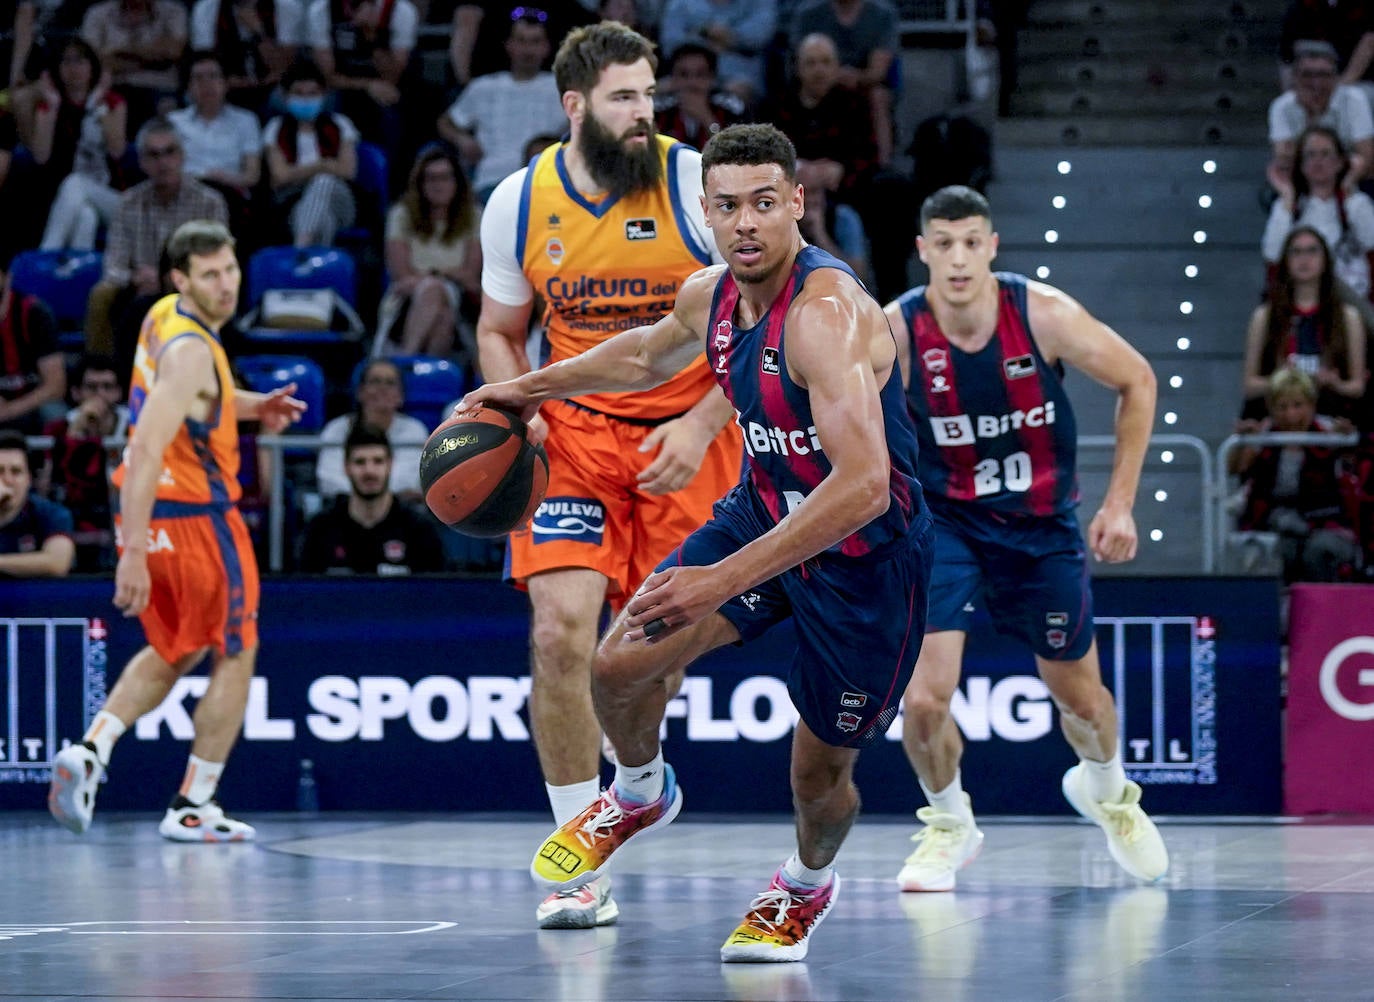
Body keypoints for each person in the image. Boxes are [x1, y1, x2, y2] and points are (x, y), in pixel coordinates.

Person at [461, 122, 933, 962]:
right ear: (706, 211)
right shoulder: (710, 293)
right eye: (727, 206)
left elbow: (861, 487)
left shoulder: (824, 317)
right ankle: (640, 791)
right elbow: (644, 358)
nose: (745, 222)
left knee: (818, 777)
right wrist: (524, 386)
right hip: (761, 511)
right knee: (615, 665)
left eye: (762, 203)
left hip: (864, 559)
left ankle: (804, 885)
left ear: (796, 203)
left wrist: (715, 584)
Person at [472, 20, 742, 932]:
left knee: (641, 659)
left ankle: (636, 782)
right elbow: (501, 329)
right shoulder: (517, 201)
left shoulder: (696, 185)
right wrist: (531, 410)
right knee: (558, 635)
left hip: (693, 434)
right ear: (575, 105)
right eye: (626, 96)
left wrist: (706, 419)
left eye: (650, 95)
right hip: (575, 439)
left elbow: (763, 318)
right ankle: (577, 859)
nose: (645, 112)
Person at [884, 185, 1168, 892]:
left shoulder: (1041, 313)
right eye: (943, 244)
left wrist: (1122, 505)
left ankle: (1107, 792)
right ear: (923, 251)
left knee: (1083, 700)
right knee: (922, 701)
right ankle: (950, 823)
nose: (957, 258)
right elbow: (832, 403)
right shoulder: (895, 330)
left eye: (971, 242)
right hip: (947, 525)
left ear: (991, 246)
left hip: (1041, 528)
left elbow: (1138, 379)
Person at [47, 220, 307, 842]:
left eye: (232, 269)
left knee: (178, 645)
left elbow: (191, 399)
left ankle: (92, 748)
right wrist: (129, 555)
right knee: (236, 651)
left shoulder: (165, 318)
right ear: (180, 279)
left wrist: (252, 406)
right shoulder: (192, 350)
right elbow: (142, 449)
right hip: (198, 521)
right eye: (211, 275)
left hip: (157, 515)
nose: (226, 284)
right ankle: (194, 802)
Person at [84, 117, 230, 382]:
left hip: (190, 293)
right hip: (139, 293)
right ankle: (104, 381)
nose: (163, 162)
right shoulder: (128, 203)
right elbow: (113, 266)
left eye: (170, 152)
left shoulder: (210, 203)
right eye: (153, 155)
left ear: (183, 156)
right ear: (142, 162)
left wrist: (170, 280)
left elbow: (217, 264)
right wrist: (136, 277)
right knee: (102, 294)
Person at [1234, 367, 1362, 583]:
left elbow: (1353, 472)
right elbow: (1236, 468)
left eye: (1298, 405)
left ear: (1311, 405)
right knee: (1279, 552)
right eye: (1282, 407)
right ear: (1271, 408)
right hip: (1275, 522)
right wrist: (1243, 441)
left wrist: (1346, 444)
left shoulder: (1330, 434)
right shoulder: (1264, 435)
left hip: (1326, 522)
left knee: (1319, 551)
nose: (1290, 415)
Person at [436, 10, 567, 203]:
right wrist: (462, 140)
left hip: (545, 184)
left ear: (546, 48)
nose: (528, 50)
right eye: (521, 41)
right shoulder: (483, 87)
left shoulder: (562, 89)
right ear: (509, 46)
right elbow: (445, 122)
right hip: (492, 183)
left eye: (535, 42)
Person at [1243, 226, 1367, 425]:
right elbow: (1249, 385)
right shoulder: (1264, 316)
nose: (1304, 259)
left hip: (1332, 414)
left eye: (1312, 251)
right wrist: (1280, 379)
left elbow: (1357, 386)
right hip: (1278, 415)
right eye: (1296, 252)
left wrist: (1334, 383)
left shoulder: (1348, 317)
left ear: (1325, 260)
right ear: (1286, 261)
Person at [376, 145, 483, 363]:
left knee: (437, 294)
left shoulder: (474, 216)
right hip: (407, 300)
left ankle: (405, 362)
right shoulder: (401, 215)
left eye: (444, 178)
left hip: (461, 299)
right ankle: (425, 374)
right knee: (439, 308)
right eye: (431, 179)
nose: (438, 185)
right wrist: (441, 276)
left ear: (457, 183)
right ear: (420, 184)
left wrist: (433, 275)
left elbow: (470, 276)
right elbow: (402, 277)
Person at [299, 421, 445, 574]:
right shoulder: (320, 530)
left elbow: (434, 592)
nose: (369, 471)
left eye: (378, 461)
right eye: (360, 462)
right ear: (346, 467)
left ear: (390, 465)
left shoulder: (419, 530)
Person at [30, 38, 130, 252]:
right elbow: (40, 156)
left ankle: (45, 253)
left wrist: (96, 104)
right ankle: (76, 278)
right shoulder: (48, 104)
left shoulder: (112, 103)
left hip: (111, 198)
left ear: (93, 67)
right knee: (86, 216)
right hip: (66, 201)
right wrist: (53, 108)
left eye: (80, 60)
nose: (73, 68)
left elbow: (117, 150)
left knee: (76, 182)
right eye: (66, 61)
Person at [1263, 125, 1374, 318]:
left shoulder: (1357, 203)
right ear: (1301, 164)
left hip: (1353, 302)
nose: (1318, 161)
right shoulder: (1289, 206)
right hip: (1303, 300)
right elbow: (1272, 255)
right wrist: (1288, 196)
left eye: (1325, 154)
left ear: (1340, 162)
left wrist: (1348, 188)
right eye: (1311, 155)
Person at [41, 354, 129, 571]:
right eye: (91, 387)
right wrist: (76, 433)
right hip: (72, 512)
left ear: (118, 392)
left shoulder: (135, 427)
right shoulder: (58, 429)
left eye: (107, 387)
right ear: (76, 392)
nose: (99, 395)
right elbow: (51, 484)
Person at [169, 52, 265, 247]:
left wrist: (223, 178)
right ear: (188, 87)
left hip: (231, 193)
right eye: (198, 78)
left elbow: (252, 175)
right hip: (186, 190)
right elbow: (167, 169)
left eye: (213, 76)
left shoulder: (246, 121)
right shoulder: (174, 122)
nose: (207, 84)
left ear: (225, 83)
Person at [262, 57, 359, 248]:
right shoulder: (276, 128)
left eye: (312, 93)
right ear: (285, 96)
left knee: (324, 181)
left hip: (340, 199)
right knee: (323, 220)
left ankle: (299, 250)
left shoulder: (341, 125)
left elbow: (348, 172)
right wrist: (324, 165)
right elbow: (280, 177)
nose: (306, 99)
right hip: (293, 203)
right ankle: (313, 267)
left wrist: (300, 173)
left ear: (323, 96)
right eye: (299, 93)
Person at [315, 357, 428, 500]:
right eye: (375, 381)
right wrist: (367, 493)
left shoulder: (415, 430)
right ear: (360, 392)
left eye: (390, 383)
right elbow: (329, 481)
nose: (382, 389)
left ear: (400, 396)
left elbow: (409, 481)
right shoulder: (335, 429)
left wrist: (365, 488)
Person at [1268, 41, 1374, 193]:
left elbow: (1366, 160)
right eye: (1307, 75)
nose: (1316, 83)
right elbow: (1283, 159)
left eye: (1323, 75)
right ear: (1295, 78)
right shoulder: (1282, 107)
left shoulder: (1354, 100)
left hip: (1351, 179)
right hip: (1304, 180)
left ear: (1336, 78)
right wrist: (1312, 115)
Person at [0, 250, 65, 436]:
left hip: (31, 402)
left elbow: (55, 386)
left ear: (7, 277)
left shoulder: (34, 313)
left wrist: (10, 410)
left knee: (56, 414)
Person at [0, 428, 75, 578]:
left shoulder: (52, 513)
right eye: (0, 471)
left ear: (28, 479)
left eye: (16, 472)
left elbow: (57, 563)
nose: (7, 480)